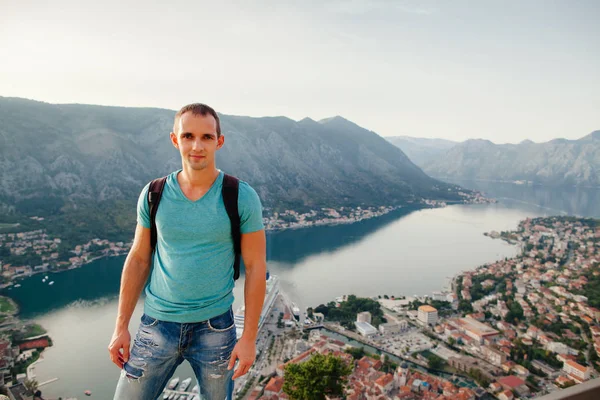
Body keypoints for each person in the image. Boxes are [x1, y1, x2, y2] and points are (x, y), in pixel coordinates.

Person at [108, 103, 267, 400]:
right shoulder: (154, 193)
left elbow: (256, 267)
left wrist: (249, 338)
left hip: (215, 330)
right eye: (188, 136)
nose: (197, 146)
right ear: (175, 139)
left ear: (219, 141)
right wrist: (121, 326)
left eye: (207, 137)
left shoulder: (240, 196)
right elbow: (139, 258)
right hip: (156, 325)